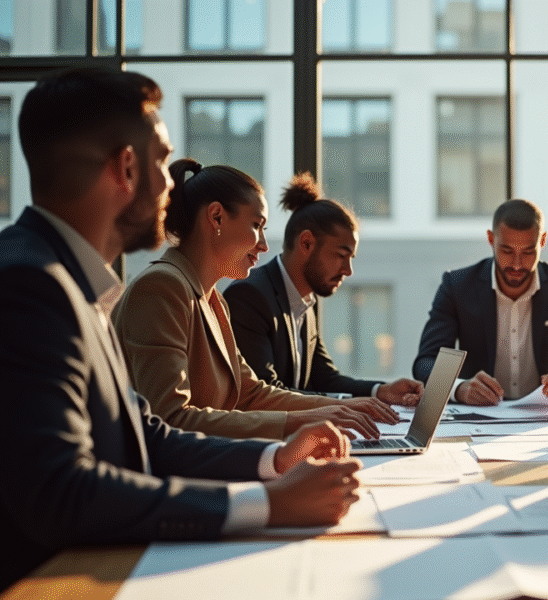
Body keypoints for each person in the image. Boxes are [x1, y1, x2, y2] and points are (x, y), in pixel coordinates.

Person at [0, 67, 362, 591]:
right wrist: (266, 502)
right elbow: (60, 490)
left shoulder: (69, 278)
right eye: (162, 159)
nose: (173, 184)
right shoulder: (31, 285)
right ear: (126, 167)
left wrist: (274, 460)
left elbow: (144, 434)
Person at [113, 158, 399, 441]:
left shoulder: (212, 301)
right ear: (216, 217)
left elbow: (252, 393)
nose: (263, 244)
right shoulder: (162, 287)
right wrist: (300, 421)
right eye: (256, 225)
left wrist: (340, 407)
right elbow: (171, 419)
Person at [224, 173, 424, 406]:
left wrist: (380, 391)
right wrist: (346, 405)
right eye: (341, 255)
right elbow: (265, 394)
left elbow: (325, 379)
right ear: (306, 243)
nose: (348, 271)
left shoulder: (304, 301)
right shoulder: (249, 297)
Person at [413, 198, 548, 405]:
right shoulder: (457, 287)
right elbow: (426, 363)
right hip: (479, 416)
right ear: (491, 239)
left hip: (544, 416)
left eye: (528, 252)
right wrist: (458, 388)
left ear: (543, 241)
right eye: (507, 251)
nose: (517, 264)